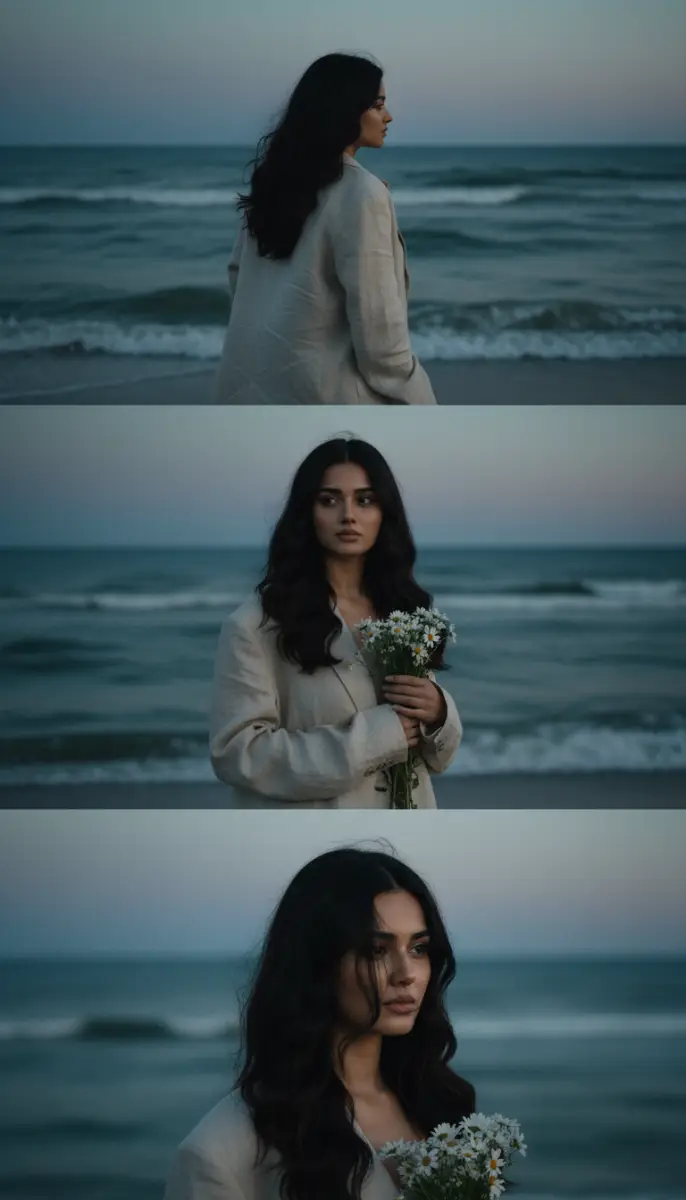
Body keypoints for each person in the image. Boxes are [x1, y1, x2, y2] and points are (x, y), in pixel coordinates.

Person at [165, 847, 475, 1199]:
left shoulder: (436, 1101)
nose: (407, 975)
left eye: (418, 949)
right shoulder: (220, 1154)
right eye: (376, 950)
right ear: (317, 961)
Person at [210, 437, 462, 807]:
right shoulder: (255, 625)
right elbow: (238, 754)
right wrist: (376, 739)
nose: (348, 515)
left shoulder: (402, 612)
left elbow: (439, 759)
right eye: (329, 500)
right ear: (306, 511)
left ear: (385, 512)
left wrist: (439, 712)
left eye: (365, 500)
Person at [214, 53, 436, 405]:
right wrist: (424, 403)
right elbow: (381, 340)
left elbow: (238, 278)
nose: (388, 116)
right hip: (325, 406)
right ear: (346, 110)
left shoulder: (273, 183)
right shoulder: (363, 193)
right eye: (378, 105)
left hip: (246, 395)